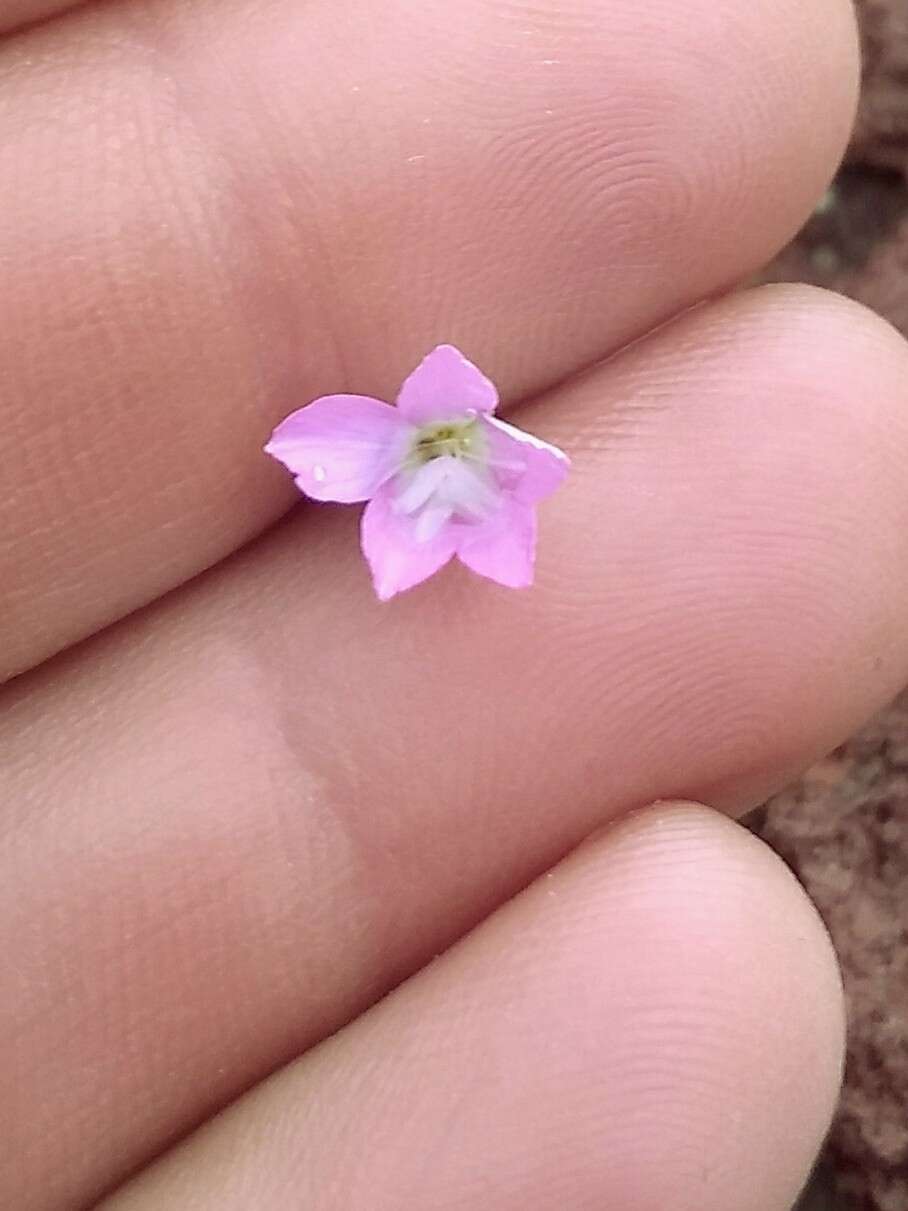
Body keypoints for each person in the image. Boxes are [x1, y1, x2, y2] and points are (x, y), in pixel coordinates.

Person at [0, 0, 901, 1207]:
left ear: (469, 427)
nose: (440, 446)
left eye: (449, 438)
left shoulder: (475, 450)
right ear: (440, 421)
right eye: (438, 438)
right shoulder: (402, 436)